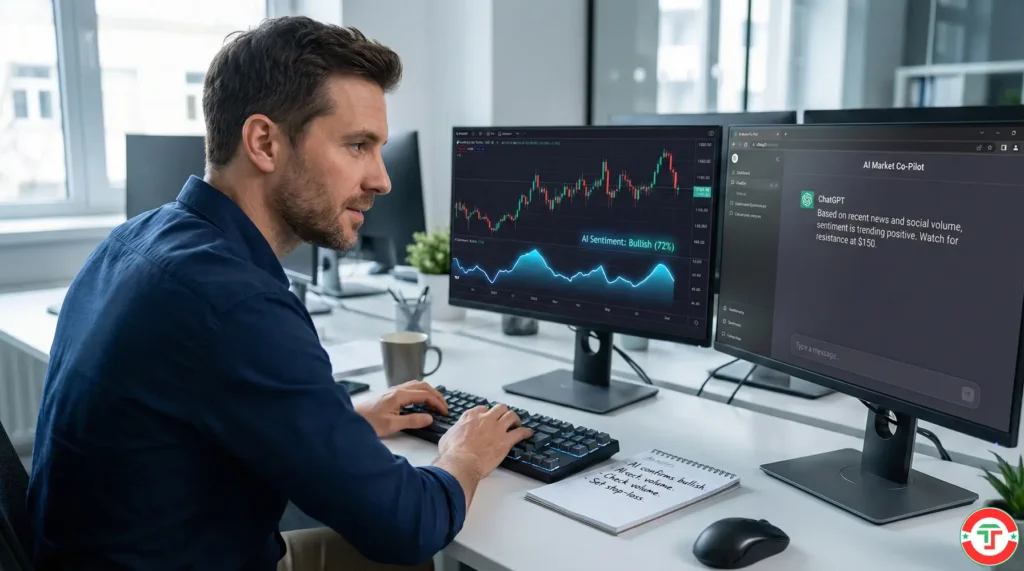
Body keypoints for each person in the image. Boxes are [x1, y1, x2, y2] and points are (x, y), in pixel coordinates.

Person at [26, 16, 533, 571]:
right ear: (264, 142)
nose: (381, 180)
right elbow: (408, 526)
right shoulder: (235, 304)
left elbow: (208, 423)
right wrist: (465, 454)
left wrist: (347, 422)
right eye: (357, 145)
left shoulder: (136, 239)